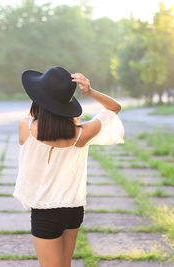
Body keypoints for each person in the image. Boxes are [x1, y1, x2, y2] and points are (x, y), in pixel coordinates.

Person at [13, 66, 125, 267]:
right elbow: (114, 108)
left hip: (45, 211)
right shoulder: (82, 133)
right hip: (73, 210)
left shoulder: (26, 127)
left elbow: (38, 118)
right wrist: (89, 92)